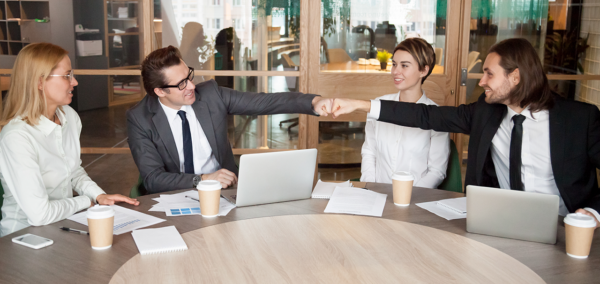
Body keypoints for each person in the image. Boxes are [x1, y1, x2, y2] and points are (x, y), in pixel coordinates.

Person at [331, 38, 600, 226]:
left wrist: (593, 212)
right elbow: (425, 115)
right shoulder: (486, 112)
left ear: (515, 77)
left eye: (489, 74)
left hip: (564, 225)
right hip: (499, 222)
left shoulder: (579, 119)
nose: (481, 82)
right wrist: (360, 105)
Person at [127, 46, 332, 194]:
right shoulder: (140, 118)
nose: (191, 86)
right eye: (181, 84)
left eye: (189, 76)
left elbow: (265, 102)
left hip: (226, 192)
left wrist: (313, 102)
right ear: (160, 91)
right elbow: (154, 179)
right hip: (175, 196)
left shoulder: (211, 95)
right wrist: (204, 179)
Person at [0, 43, 139, 237]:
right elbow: (40, 215)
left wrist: (98, 195)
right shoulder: (16, 137)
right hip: (21, 236)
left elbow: (72, 170)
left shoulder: (69, 116)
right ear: (40, 82)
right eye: (67, 76)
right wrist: (85, 201)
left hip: (60, 224)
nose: (74, 82)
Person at [361, 38, 449, 187]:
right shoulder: (377, 106)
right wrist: (370, 187)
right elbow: (369, 152)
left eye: (404, 65)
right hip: (376, 196)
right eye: (394, 64)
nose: (396, 71)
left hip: (415, 198)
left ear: (424, 70)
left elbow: (436, 171)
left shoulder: (436, 116)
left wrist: (410, 196)